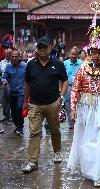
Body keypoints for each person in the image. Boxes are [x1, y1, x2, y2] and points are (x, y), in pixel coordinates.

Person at [66, 9, 100, 187]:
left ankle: (98, 172)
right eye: (93, 52)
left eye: (99, 52)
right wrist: (73, 108)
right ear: (89, 53)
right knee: (85, 139)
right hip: (85, 107)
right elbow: (75, 89)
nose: (96, 55)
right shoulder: (83, 69)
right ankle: (88, 170)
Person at [22, 36, 69, 173]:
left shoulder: (58, 64)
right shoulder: (31, 64)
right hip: (35, 103)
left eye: (44, 47)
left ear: (50, 48)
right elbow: (27, 83)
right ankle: (32, 161)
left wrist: (61, 98)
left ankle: (57, 151)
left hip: (52, 103)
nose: (42, 50)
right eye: (39, 48)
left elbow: (65, 81)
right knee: (34, 132)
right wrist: (26, 101)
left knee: (55, 130)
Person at [2, 49, 26, 136]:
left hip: (21, 92)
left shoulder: (24, 66)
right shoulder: (8, 66)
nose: (14, 58)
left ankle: (20, 127)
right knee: (13, 111)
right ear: (10, 57)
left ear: (19, 57)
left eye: (16, 56)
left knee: (19, 108)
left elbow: (29, 78)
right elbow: (4, 76)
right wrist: (4, 80)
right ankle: (17, 125)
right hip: (12, 92)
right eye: (13, 57)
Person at [63, 47, 82, 129]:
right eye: (72, 54)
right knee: (68, 104)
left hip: (79, 87)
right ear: (69, 55)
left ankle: (79, 121)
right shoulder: (65, 63)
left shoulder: (82, 64)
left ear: (78, 55)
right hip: (68, 86)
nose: (73, 56)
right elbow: (61, 76)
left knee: (79, 104)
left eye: (75, 54)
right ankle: (71, 121)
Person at [0, 48, 12, 124]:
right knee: (3, 100)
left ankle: (12, 116)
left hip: (12, 84)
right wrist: (2, 80)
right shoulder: (1, 63)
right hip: (3, 84)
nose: (8, 55)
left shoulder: (14, 62)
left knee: (11, 100)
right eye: (7, 53)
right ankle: (6, 116)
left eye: (10, 53)